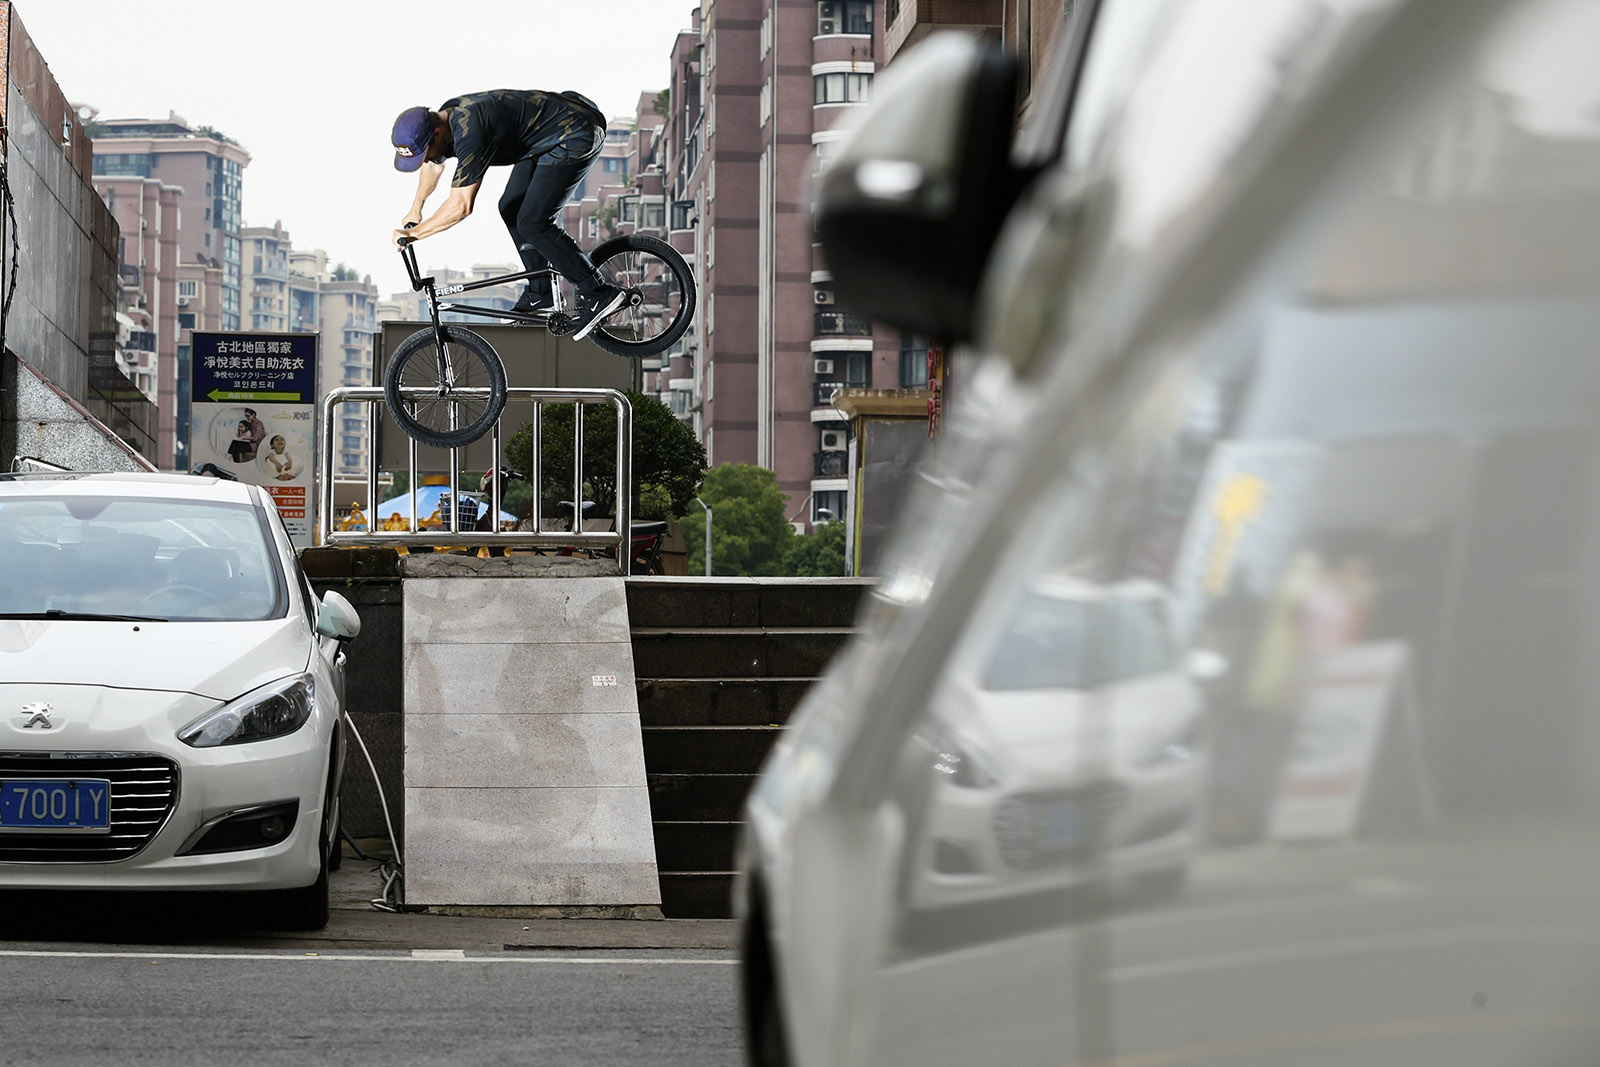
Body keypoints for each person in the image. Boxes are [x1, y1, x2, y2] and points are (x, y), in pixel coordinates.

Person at [389, 90, 627, 342]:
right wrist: (416, 208)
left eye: (424, 153)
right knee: (510, 208)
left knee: (534, 223)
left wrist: (414, 234)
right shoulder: (444, 117)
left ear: (436, 133)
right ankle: (541, 290)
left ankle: (599, 293)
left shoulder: (471, 130)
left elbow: (461, 206)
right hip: (542, 139)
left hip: (575, 134)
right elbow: (433, 166)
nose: (425, 159)